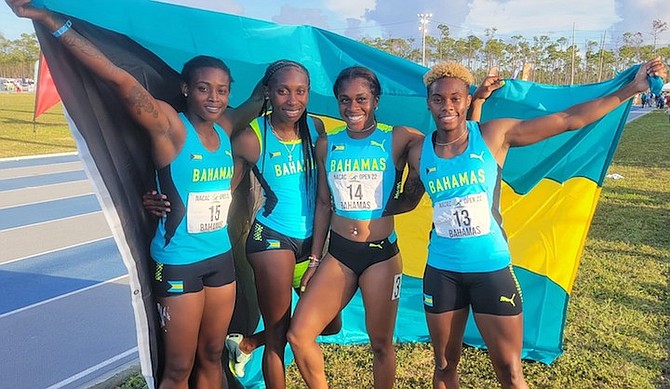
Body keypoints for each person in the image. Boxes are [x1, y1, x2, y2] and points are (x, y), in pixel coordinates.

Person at [6, 1, 264, 388]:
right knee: (178, 369)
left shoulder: (225, 127)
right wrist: (48, 19)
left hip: (220, 260)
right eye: (203, 88)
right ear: (185, 89)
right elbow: (118, 79)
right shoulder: (169, 128)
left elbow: (258, 101)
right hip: (178, 265)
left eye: (221, 90)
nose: (213, 97)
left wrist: (276, 75)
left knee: (211, 357)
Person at [408, 59, 666, 389]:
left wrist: (633, 87)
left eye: (456, 97)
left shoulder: (493, 135)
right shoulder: (418, 151)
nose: (447, 106)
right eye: (438, 99)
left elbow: (567, 120)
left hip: (490, 269)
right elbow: (404, 194)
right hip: (441, 271)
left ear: (466, 98)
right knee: (444, 365)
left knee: (510, 370)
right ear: (428, 102)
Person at [144, 59, 343, 388]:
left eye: (300, 92)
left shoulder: (317, 129)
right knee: (279, 336)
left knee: (330, 323)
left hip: (313, 243)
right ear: (268, 93)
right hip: (272, 238)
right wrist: (155, 195)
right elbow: (217, 182)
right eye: (282, 91)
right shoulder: (252, 136)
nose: (292, 101)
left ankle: (249, 343)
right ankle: (262, 347)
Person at [286, 66, 425, 389]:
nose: (352, 108)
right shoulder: (327, 145)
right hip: (339, 254)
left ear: (376, 100)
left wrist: (408, 197)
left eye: (361, 99)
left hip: (380, 255)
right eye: (344, 100)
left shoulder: (398, 137)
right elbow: (323, 204)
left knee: (380, 344)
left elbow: (442, 147)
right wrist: (316, 259)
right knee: (299, 334)